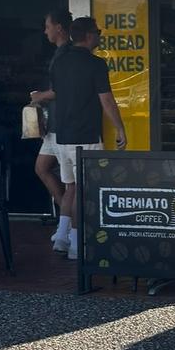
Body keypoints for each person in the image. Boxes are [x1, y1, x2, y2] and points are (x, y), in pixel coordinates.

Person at [50, 16, 127, 260]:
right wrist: (120, 128)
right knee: (84, 191)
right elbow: (107, 101)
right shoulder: (96, 64)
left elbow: (55, 93)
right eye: (98, 32)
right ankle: (76, 244)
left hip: (61, 135)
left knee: (70, 187)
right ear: (90, 35)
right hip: (86, 134)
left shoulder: (59, 62)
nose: (100, 35)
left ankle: (62, 237)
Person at [30, 8, 73, 226]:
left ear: (59, 27)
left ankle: (69, 222)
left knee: (70, 181)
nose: (45, 31)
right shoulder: (60, 53)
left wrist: (39, 96)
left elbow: (60, 90)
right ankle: (66, 216)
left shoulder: (66, 54)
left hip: (64, 126)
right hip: (55, 123)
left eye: (47, 26)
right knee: (42, 168)